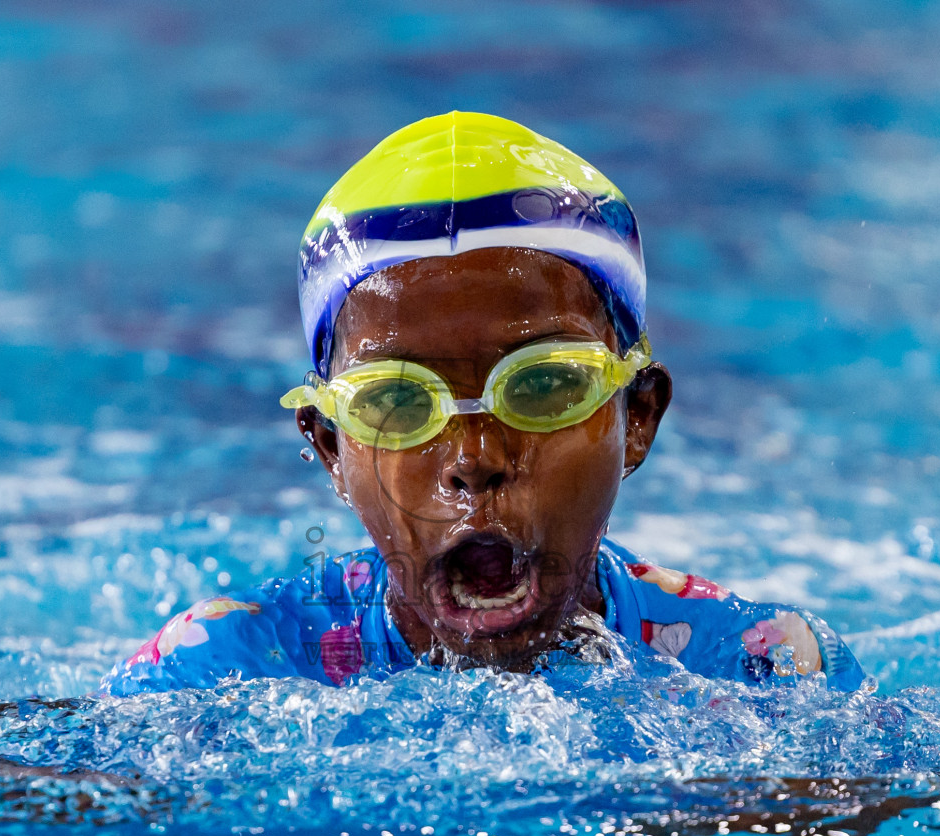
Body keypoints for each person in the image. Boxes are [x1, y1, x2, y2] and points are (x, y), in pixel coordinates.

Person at [101, 112, 868, 696]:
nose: (473, 461)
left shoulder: (759, 670)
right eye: (398, 402)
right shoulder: (229, 669)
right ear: (332, 448)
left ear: (637, 416)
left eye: (542, 387)